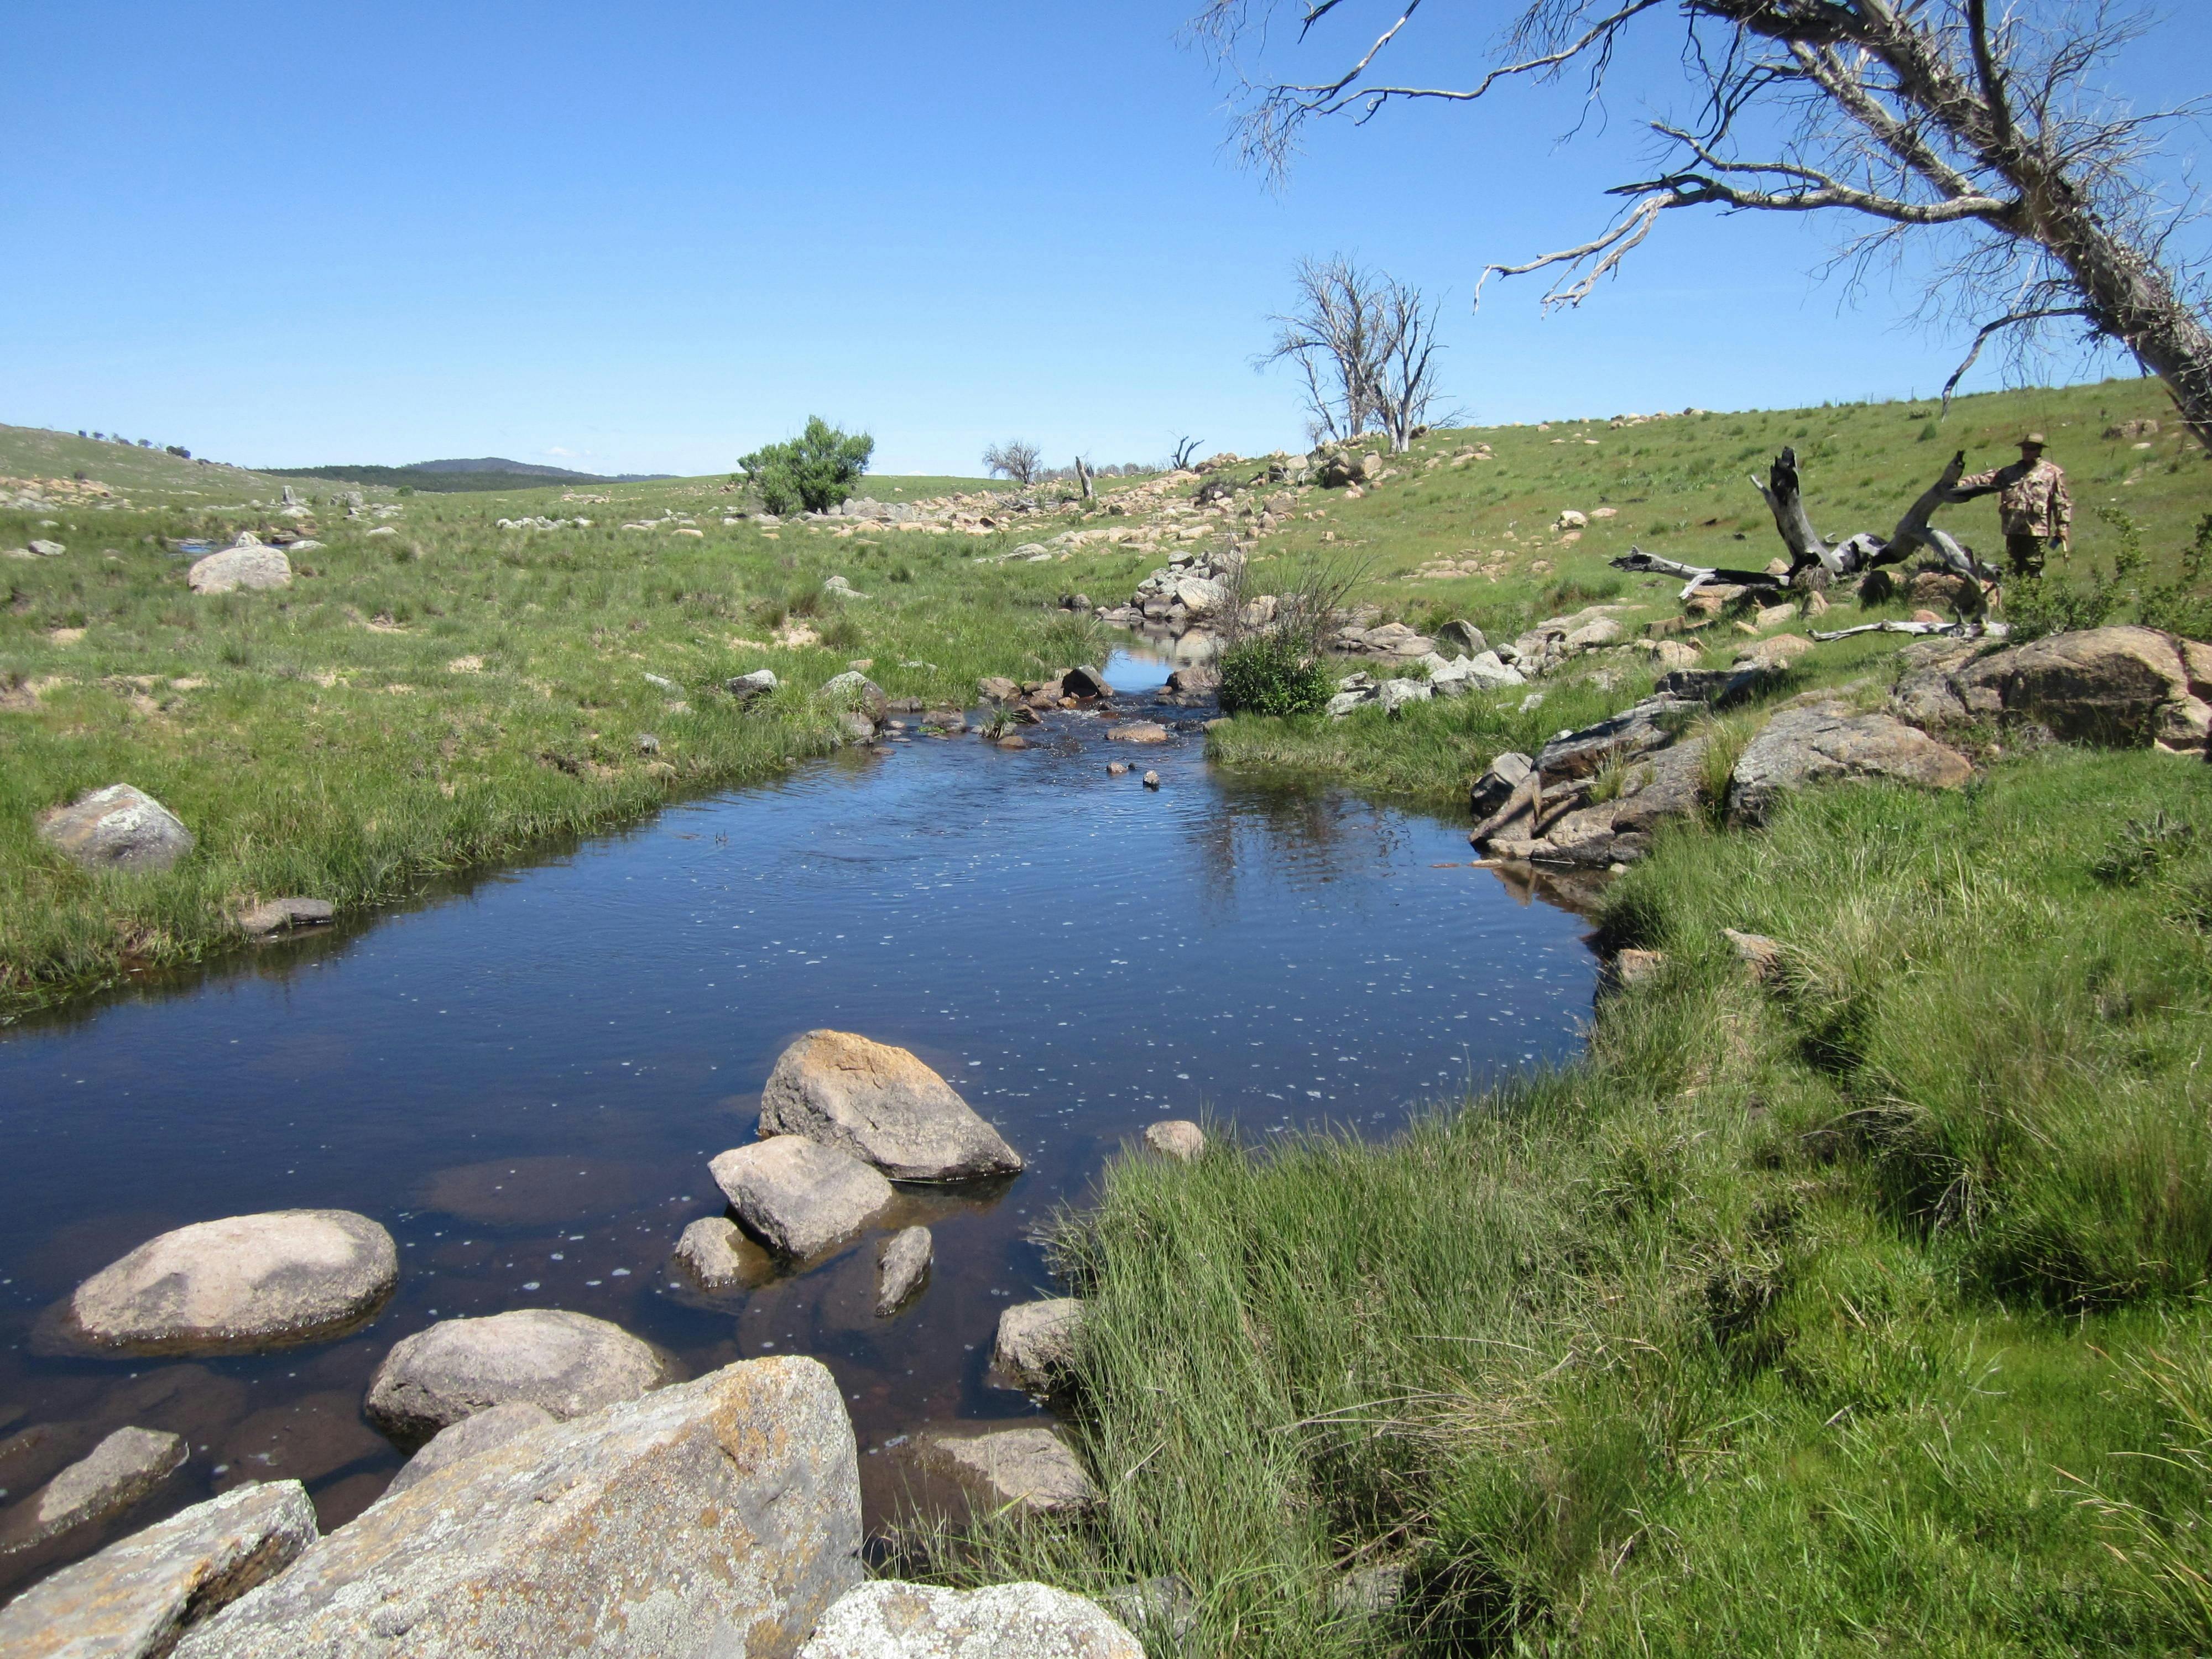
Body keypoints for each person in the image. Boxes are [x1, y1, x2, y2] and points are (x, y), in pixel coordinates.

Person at [1950, 432, 2072, 578]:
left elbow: (2061, 502)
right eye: (2025, 449)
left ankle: (2034, 596)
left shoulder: (2052, 473)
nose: (2027, 452)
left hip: (2036, 529)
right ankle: (2017, 597)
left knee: (2032, 565)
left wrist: (2062, 527)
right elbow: (1985, 479)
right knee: (2014, 566)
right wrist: (1960, 484)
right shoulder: (2010, 472)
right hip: (2013, 528)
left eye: (2031, 449)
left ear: (2039, 450)